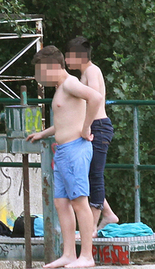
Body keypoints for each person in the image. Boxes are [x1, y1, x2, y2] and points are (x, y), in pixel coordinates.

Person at [27, 46, 104, 269]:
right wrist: (44, 133)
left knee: (80, 202)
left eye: (41, 71)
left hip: (75, 149)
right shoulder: (61, 88)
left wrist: (86, 127)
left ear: (53, 67)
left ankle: (86, 256)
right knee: (61, 203)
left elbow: (96, 98)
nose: (39, 78)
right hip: (61, 152)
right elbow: (64, 120)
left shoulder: (70, 83)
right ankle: (69, 253)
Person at [65, 37, 119, 233]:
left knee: (95, 175)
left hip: (97, 127)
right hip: (92, 127)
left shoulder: (92, 71)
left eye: (68, 56)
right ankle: (108, 213)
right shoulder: (85, 73)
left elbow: (94, 99)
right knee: (86, 174)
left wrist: (86, 126)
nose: (66, 60)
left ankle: (92, 228)